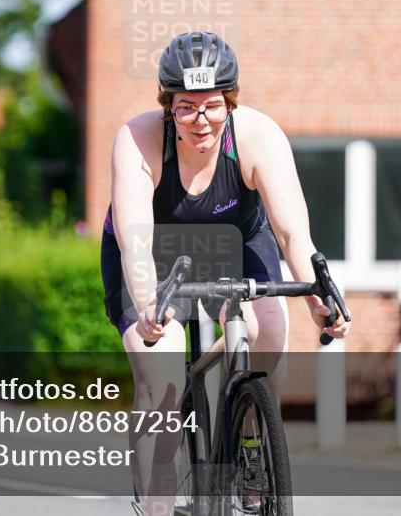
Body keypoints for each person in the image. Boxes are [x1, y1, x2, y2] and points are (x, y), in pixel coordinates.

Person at [100, 31, 350, 515]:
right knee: (163, 373)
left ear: (230, 103)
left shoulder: (258, 136)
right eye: (185, 107)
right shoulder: (137, 138)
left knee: (269, 330)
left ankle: (253, 445)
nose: (200, 121)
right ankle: (154, 504)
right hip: (154, 251)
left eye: (212, 106)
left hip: (234, 240)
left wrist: (318, 300)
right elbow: (135, 241)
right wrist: (150, 307)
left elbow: (294, 234)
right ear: (167, 106)